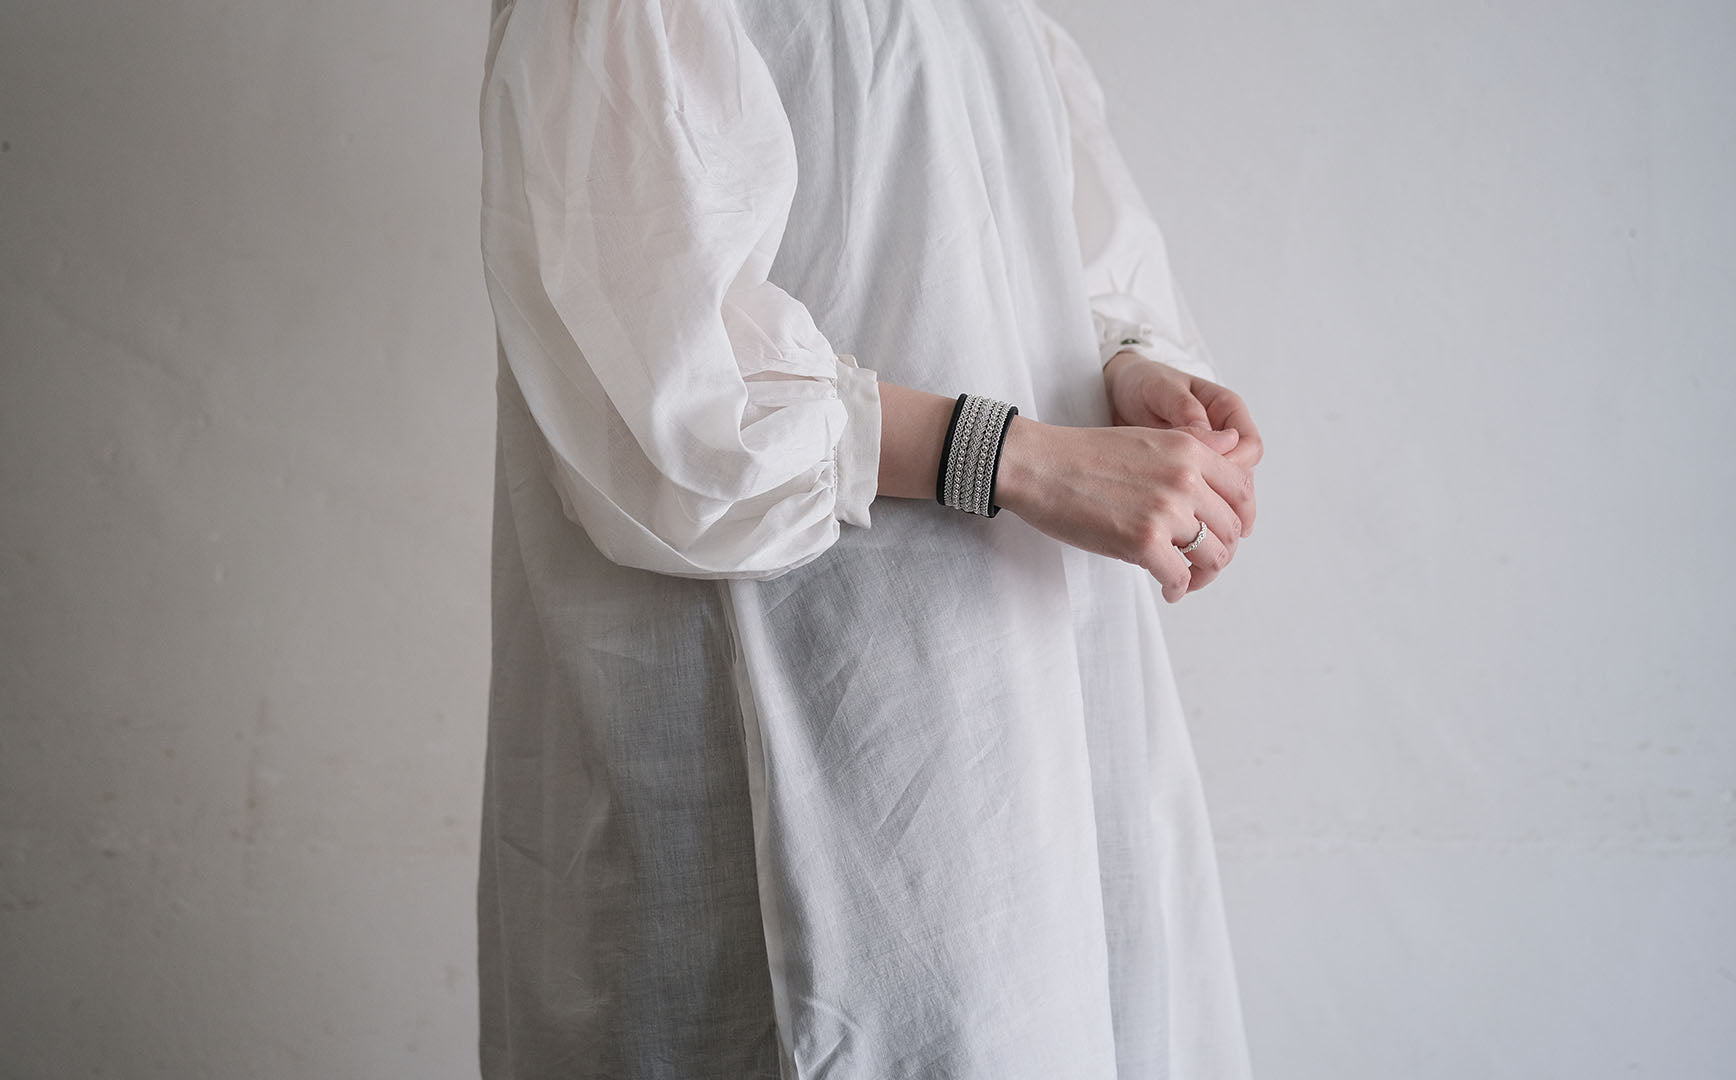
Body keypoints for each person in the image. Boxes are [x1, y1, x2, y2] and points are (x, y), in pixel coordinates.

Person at [475, 1, 1264, 1077]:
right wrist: (1022, 457)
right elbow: (669, 391)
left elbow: (1028, 228)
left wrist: (1126, 360)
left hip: (1034, 692)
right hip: (800, 693)